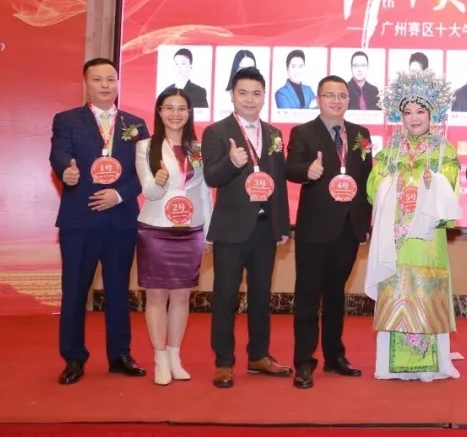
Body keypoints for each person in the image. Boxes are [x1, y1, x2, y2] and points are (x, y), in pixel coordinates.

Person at [50, 58, 150, 385]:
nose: (105, 85)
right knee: (75, 290)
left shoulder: (135, 124)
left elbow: (144, 173)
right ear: (86, 84)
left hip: (120, 219)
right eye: (98, 79)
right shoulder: (67, 120)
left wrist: (119, 195)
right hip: (80, 220)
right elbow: (59, 154)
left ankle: (120, 355)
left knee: (119, 289)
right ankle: (73, 358)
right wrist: (66, 171)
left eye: (111, 78)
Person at [364, 69, 462, 381]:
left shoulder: (444, 150)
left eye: (421, 111)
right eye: (408, 112)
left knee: (427, 292)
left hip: (427, 240)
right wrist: (389, 183)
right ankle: (391, 365)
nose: (414, 118)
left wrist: (435, 184)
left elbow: (452, 188)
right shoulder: (390, 151)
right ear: (400, 115)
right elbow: (372, 189)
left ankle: (431, 365)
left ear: (432, 114)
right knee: (395, 289)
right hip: (394, 239)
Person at [202, 66, 292, 388]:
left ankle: (258, 355)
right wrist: (232, 162)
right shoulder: (216, 132)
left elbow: (278, 181)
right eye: (243, 93)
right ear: (232, 95)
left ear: (264, 96)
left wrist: (283, 224)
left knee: (260, 295)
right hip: (231, 228)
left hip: (265, 228)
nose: (250, 99)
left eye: (256, 93)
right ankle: (224, 362)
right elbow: (212, 177)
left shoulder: (274, 134)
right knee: (225, 296)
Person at [285, 76, 372, 389]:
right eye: (330, 95)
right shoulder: (303, 132)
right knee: (308, 297)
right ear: (318, 99)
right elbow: (289, 167)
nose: (336, 101)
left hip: (348, 228)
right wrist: (306, 171)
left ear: (348, 99)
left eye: (342, 96)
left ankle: (335, 356)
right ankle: (304, 362)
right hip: (315, 228)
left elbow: (367, 180)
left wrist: (365, 223)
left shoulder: (361, 135)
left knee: (336, 296)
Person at [134, 88, 214, 385]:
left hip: (190, 231)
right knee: (156, 297)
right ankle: (159, 358)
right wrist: (158, 181)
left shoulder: (198, 148)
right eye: (169, 108)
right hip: (155, 230)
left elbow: (205, 193)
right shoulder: (145, 147)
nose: (175, 114)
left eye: (181, 108)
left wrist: (208, 233)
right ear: (159, 112)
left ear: (189, 113)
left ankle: (175, 355)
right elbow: (149, 192)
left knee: (181, 297)